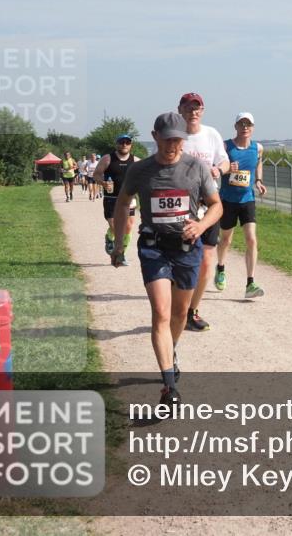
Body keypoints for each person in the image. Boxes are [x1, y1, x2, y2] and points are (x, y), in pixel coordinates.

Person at [110, 112, 222, 407]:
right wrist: (119, 245)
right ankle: (168, 386)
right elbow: (123, 203)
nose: (173, 144)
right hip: (153, 248)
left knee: (179, 315)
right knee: (161, 313)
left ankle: (169, 351)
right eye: (168, 138)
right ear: (155, 136)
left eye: (178, 139)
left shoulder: (196, 168)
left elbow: (216, 206)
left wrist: (201, 225)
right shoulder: (140, 170)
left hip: (186, 249)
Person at [178, 92, 229, 331]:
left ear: (203, 110)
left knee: (207, 262)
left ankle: (192, 311)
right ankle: (175, 307)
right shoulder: (176, 136)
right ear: (180, 109)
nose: (193, 111)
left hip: (209, 203)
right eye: (189, 107)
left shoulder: (212, 134)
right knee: (182, 260)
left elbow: (225, 161)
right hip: (183, 205)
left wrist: (219, 169)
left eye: (197, 107)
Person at [214, 113, 267, 298]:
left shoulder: (257, 148)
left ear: (252, 127)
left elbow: (258, 164)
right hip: (228, 199)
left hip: (247, 199)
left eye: (248, 124)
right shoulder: (226, 146)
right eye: (241, 124)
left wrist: (259, 180)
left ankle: (250, 283)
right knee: (226, 240)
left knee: (252, 239)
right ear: (235, 126)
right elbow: (218, 165)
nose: (245, 127)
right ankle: (220, 268)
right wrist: (229, 168)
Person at [95, 134, 141, 265]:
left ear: (131, 145)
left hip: (129, 198)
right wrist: (103, 183)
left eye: (127, 142)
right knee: (115, 226)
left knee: (128, 227)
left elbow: (145, 176)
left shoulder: (136, 161)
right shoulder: (108, 158)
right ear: (117, 144)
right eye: (122, 142)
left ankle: (122, 254)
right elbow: (96, 174)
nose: (124, 145)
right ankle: (110, 237)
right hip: (112, 198)